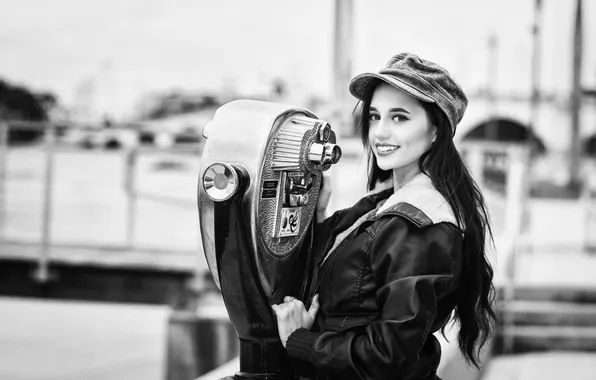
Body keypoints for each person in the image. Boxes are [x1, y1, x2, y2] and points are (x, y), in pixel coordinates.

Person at [271, 53, 495, 380]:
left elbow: (389, 356)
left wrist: (302, 341)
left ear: (436, 131)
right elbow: (319, 264)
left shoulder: (419, 225)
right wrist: (316, 210)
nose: (380, 133)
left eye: (400, 118)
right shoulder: (384, 203)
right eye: (375, 117)